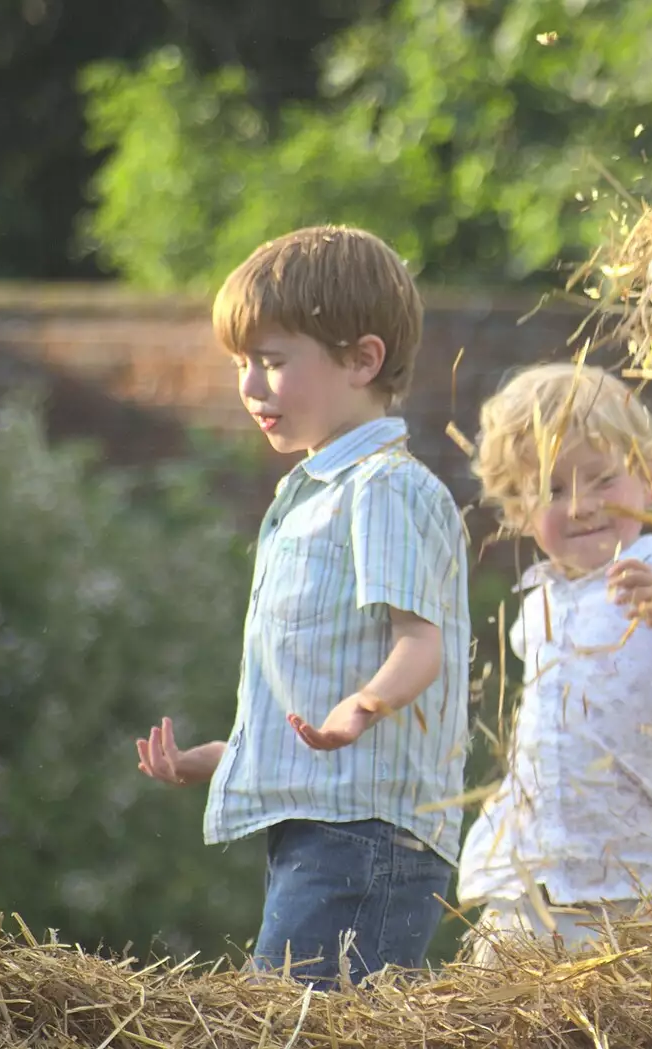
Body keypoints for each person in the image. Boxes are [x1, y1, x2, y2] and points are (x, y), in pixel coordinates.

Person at [133, 225, 470, 987]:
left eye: (273, 362)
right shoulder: (312, 496)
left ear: (362, 359)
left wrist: (364, 706)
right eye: (242, 365)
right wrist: (222, 758)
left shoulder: (381, 487)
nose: (250, 387)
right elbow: (309, 705)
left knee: (289, 1026)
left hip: (367, 837)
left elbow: (421, 642)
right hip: (323, 830)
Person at [457, 362, 652, 963]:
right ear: (518, 509)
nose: (582, 506)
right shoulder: (538, 596)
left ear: (647, 477)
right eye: (552, 490)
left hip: (647, 870)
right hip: (538, 868)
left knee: (649, 1001)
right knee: (502, 998)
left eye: (601, 480)